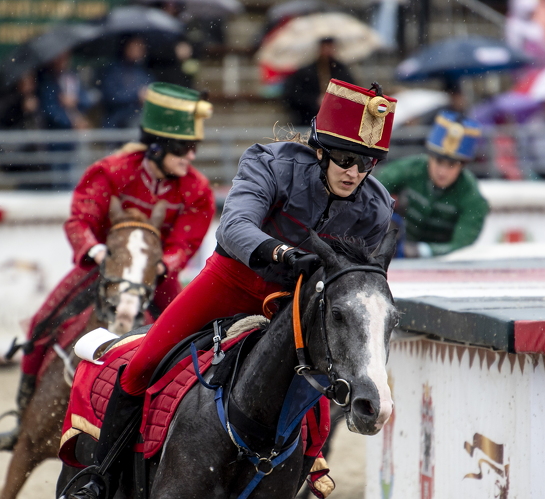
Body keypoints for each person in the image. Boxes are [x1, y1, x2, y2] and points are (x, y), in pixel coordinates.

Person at [68, 78, 397, 499]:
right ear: (321, 149)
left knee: (316, 396)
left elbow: (355, 280)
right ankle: (100, 477)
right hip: (230, 281)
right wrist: (281, 254)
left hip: (293, 307)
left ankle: (309, 468)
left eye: (367, 163)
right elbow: (234, 226)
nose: (355, 173)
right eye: (347, 159)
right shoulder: (269, 163)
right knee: (139, 369)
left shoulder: (375, 206)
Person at [0, 82, 216, 452]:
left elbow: (186, 242)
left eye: (195, 148)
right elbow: (79, 221)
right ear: (157, 145)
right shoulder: (110, 171)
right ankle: (22, 414)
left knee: (190, 338)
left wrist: (163, 265)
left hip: (156, 277)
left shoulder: (197, 189)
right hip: (100, 269)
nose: (191, 156)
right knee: (40, 323)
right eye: (183, 148)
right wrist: (93, 251)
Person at [374, 110, 489, 258]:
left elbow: (461, 246)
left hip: (441, 265)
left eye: (452, 165)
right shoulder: (411, 169)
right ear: (429, 156)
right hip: (397, 245)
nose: (443, 171)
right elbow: (375, 188)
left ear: (463, 166)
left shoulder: (472, 197)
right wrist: (386, 214)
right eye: (439, 161)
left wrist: (421, 251)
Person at [37, 51, 93, 190]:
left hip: (75, 135)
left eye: (64, 58)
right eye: (59, 58)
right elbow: (49, 110)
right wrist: (70, 123)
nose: (62, 61)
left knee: (77, 169)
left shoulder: (73, 78)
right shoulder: (48, 82)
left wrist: (75, 100)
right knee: (59, 171)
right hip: (57, 136)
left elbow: (86, 99)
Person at [283, 37, 356, 126]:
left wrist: (334, 101)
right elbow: (294, 96)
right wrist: (315, 101)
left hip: (335, 121)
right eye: (324, 47)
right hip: (308, 120)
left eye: (330, 47)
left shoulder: (342, 71)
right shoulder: (305, 72)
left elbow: (352, 94)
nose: (327, 50)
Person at [98, 36, 151, 129]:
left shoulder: (144, 73)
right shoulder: (113, 70)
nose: (137, 50)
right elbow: (110, 96)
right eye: (134, 47)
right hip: (116, 121)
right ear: (125, 47)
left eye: (141, 48)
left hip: (138, 120)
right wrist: (136, 95)